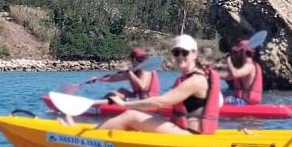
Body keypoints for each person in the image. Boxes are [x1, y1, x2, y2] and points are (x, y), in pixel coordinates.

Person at [65, 35, 220, 134]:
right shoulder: (193, 77)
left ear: (194, 54)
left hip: (191, 135)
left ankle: (86, 137)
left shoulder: (195, 80)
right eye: (176, 53)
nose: (180, 57)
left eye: (184, 52)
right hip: (183, 129)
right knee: (137, 117)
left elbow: (161, 101)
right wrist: (99, 79)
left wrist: (126, 105)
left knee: (131, 115)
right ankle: (95, 132)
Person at [87, 47, 160, 101]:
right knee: (121, 90)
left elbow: (142, 86)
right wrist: (98, 79)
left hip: (147, 102)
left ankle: (96, 108)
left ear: (133, 59)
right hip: (140, 98)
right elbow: (114, 78)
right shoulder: (135, 71)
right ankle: (97, 105)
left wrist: (130, 73)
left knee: (111, 94)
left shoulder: (145, 70)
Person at [224, 39, 263, 105]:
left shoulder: (249, 66)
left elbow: (235, 74)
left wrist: (228, 61)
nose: (237, 54)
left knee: (222, 99)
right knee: (221, 95)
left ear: (244, 52)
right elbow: (228, 76)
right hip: (245, 101)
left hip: (246, 102)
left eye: (238, 52)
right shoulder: (244, 67)